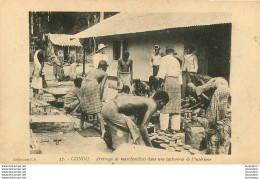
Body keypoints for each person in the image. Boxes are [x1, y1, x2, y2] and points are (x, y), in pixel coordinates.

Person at [102, 90, 169, 150]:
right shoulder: (153, 104)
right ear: (160, 101)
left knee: (130, 126)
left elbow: (139, 123)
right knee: (133, 130)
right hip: (112, 111)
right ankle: (119, 150)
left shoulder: (147, 100)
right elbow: (143, 128)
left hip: (106, 108)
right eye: (164, 104)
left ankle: (109, 137)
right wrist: (150, 147)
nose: (163, 107)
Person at [195, 77, 231, 154]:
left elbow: (207, 100)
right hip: (227, 90)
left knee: (213, 110)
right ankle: (220, 121)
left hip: (221, 91)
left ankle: (216, 125)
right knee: (221, 108)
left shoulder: (205, 86)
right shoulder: (217, 81)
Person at [80, 60, 108, 137]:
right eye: (106, 67)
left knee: (84, 105)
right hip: (92, 84)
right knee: (98, 109)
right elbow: (102, 86)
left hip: (84, 83)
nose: (106, 69)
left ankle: (80, 127)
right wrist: (100, 98)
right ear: (103, 67)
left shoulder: (92, 70)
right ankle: (103, 131)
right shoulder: (104, 73)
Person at [157, 46, 182, 133]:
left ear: (166, 52)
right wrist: (179, 85)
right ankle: (174, 128)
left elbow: (161, 73)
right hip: (177, 83)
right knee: (175, 106)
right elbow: (180, 75)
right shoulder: (177, 60)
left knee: (165, 105)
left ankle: (164, 128)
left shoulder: (164, 59)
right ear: (172, 52)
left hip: (169, 81)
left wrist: (159, 85)